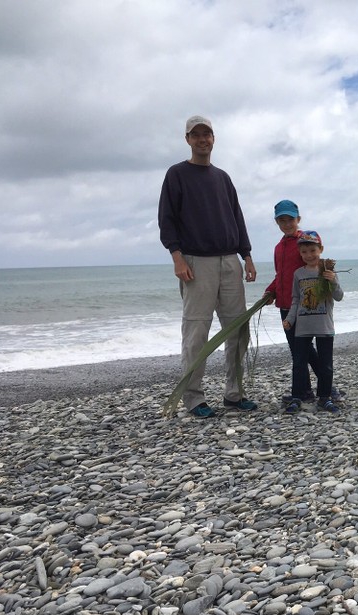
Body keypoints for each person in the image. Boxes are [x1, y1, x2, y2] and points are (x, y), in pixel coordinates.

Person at [158, 115, 258, 418]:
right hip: (195, 262)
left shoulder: (223, 178)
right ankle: (193, 398)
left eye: (207, 134)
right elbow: (167, 219)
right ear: (187, 139)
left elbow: (236, 217)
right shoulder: (177, 174)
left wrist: (247, 255)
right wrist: (177, 257)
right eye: (196, 135)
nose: (202, 139)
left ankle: (234, 393)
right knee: (196, 332)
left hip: (229, 260)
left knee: (237, 331)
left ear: (213, 139)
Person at [263, 199, 343, 404]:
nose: (287, 224)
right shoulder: (278, 248)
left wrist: (330, 277)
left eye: (290, 219)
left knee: (305, 351)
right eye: (282, 220)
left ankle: (327, 389)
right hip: (285, 304)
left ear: (298, 219)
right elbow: (281, 275)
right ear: (277, 223)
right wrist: (271, 291)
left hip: (307, 305)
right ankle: (306, 391)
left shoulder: (305, 242)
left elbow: (316, 265)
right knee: (300, 352)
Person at [282, 234, 343, 414]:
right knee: (299, 363)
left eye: (313, 251)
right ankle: (297, 397)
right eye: (304, 252)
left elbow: (339, 296)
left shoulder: (327, 271)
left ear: (320, 250)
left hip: (324, 326)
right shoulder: (298, 274)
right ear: (300, 253)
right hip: (302, 327)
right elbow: (295, 299)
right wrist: (290, 319)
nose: (309, 255)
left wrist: (332, 281)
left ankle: (325, 398)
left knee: (326, 364)